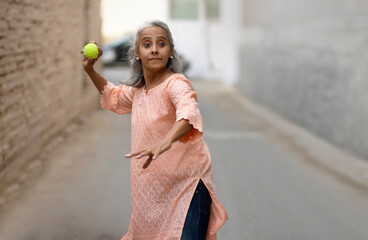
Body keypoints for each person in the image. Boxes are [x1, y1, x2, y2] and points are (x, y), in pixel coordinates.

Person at [81, 20, 228, 240]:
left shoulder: (176, 84)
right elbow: (113, 96)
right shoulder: (138, 92)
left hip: (187, 187)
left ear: (170, 51)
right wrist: (89, 69)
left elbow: (189, 114)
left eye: (162, 43)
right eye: (147, 44)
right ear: (138, 53)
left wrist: (166, 140)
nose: (155, 49)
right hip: (152, 193)